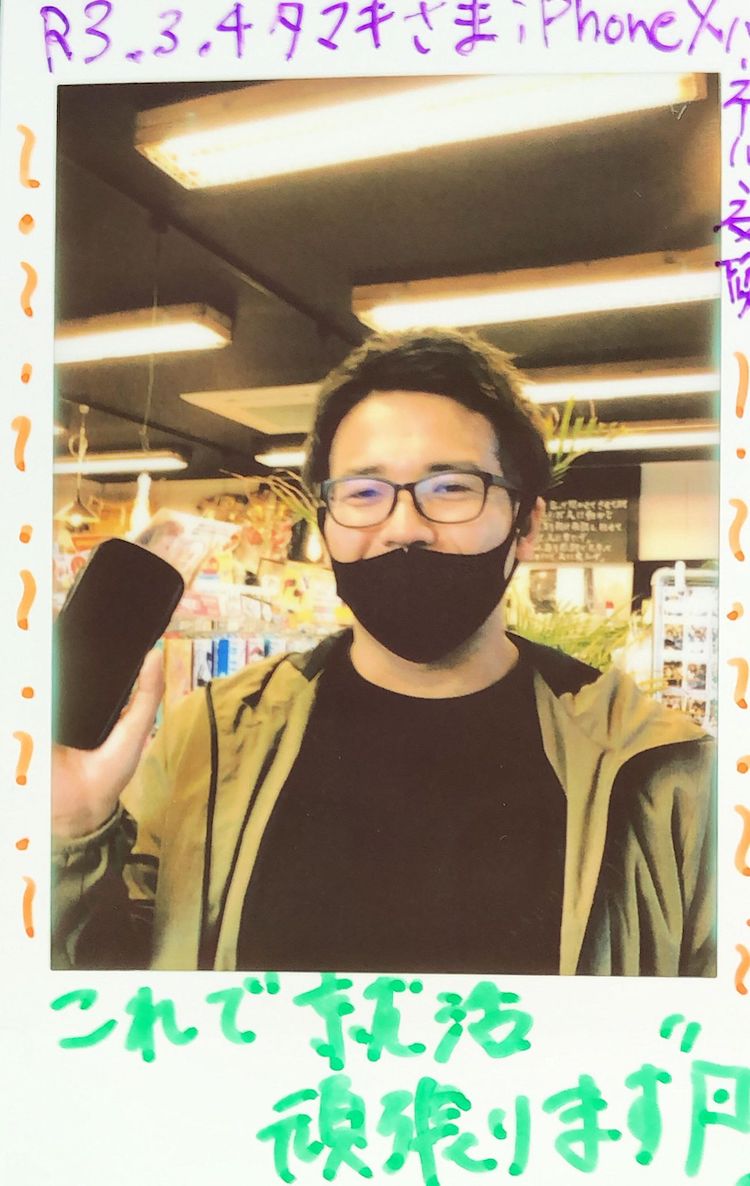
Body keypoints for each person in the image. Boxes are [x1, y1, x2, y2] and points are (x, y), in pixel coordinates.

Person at [52, 329, 715, 975]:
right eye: (363, 493)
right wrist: (71, 831)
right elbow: (105, 994)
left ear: (527, 525)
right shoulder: (210, 740)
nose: (403, 526)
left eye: (451, 488)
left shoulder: (664, 778)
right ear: (326, 523)